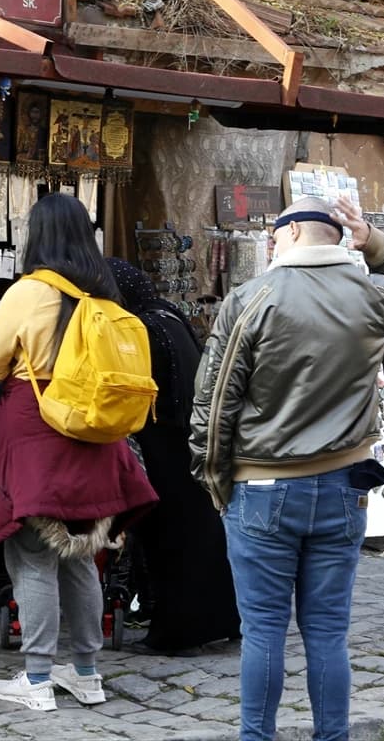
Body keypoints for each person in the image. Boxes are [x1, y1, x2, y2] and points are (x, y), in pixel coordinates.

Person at [190, 196, 384, 741]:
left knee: (264, 632)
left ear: (293, 231)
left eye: (274, 234)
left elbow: (215, 401)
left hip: (262, 486)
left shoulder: (252, 298)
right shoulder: (370, 293)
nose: (270, 243)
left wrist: (214, 480)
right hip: (345, 485)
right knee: (327, 632)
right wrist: (375, 243)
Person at [0, 193, 158, 712]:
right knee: (82, 556)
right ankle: (87, 673)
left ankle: (38, 678)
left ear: (38, 236)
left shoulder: (30, 291)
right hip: (94, 436)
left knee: (32, 557)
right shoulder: (105, 294)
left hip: (38, 431)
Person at [106, 258, 241, 656]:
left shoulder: (139, 329)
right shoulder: (169, 316)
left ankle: (178, 633)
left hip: (161, 444)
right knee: (200, 535)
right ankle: (221, 621)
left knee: (170, 540)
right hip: (186, 441)